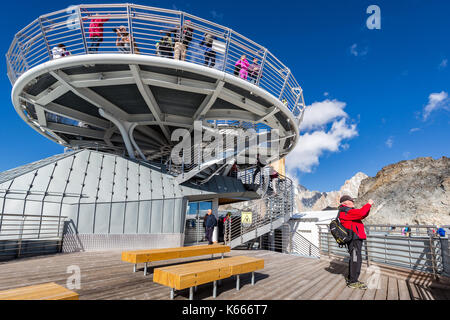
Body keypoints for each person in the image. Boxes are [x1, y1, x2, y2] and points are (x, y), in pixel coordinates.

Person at [338, 195, 374, 290]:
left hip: (355, 239)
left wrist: (368, 207)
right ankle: (353, 281)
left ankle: (351, 278)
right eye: (351, 200)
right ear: (344, 203)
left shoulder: (347, 211)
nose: (353, 201)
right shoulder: (346, 211)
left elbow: (363, 214)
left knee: (355, 258)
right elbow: (361, 213)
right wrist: (368, 204)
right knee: (355, 259)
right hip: (354, 240)